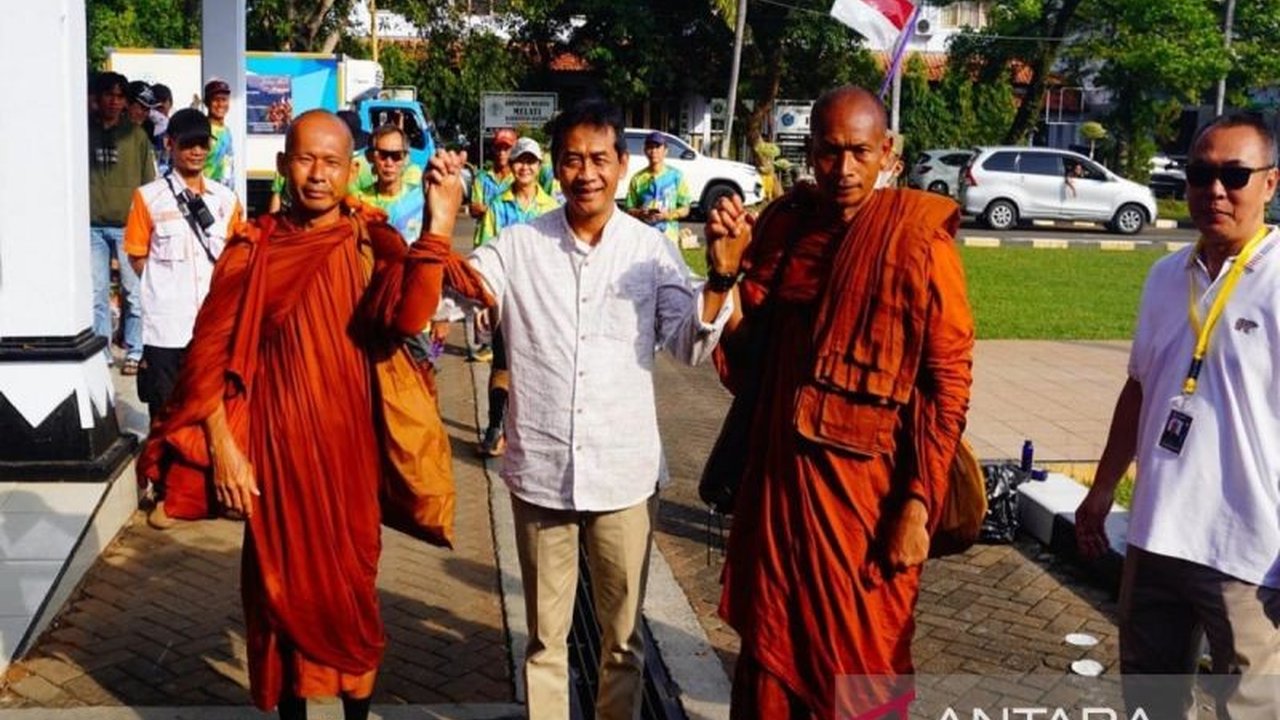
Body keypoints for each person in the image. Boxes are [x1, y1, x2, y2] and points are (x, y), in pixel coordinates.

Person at [138, 110, 474, 720]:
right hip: (275, 459)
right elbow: (207, 362)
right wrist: (224, 448)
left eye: (332, 162)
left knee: (352, 600)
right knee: (278, 603)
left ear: (352, 170)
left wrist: (438, 227)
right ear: (284, 163)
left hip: (351, 459)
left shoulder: (371, 241)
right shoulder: (254, 247)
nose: (317, 175)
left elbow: (405, 317)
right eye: (305, 159)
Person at [463, 98, 747, 719]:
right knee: (545, 642)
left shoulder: (650, 251)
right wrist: (450, 259)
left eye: (599, 159)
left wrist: (720, 280)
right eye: (572, 160)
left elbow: (688, 346)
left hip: (623, 476)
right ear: (555, 169)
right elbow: (468, 288)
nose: (586, 173)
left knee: (621, 641)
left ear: (621, 166)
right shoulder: (518, 245)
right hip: (540, 473)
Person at [709, 85, 974, 718]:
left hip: (867, 500)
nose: (844, 170)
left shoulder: (916, 240)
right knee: (771, 663)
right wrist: (725, 274)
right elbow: (749, 362)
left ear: (887, 153)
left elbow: (948, 385)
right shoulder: (786, 227)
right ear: (810, 154)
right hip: (780, 488)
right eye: (829, 153)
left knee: (866, 665)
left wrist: (918, 504)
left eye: (860, 152)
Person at [1076, 113, 1280, 719]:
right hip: (1158, 533)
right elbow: (1139, 389)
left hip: (1249, 551)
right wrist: (1103, 488)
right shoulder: (1166, 277)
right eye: (1200, 173)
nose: (1215, 190)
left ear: (1270, 184)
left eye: (1235, 175)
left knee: (1250, 708)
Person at [123, 109, 242, 529]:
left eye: (201, 143)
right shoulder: (148, 198)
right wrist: (165, 288)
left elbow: (236, 260)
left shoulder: (226, 201)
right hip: (167, 325)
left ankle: (219, 489)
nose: (195, 150)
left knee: (218, 407)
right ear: (169, 144)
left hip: (214, 325)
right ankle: (168, 492)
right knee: (168, 408)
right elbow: (137, 254)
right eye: (186, 142)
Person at [475, 136, 560, 458]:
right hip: (506, 299)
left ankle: (532, 430)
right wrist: (485, 298)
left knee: (541, 367)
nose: (525, 167)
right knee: (502, 364)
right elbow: (484, 252)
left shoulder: (552, 208)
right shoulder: (498, 206)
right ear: (512, 166)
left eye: (531, 161)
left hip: (543, 301)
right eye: (520, 161)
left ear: (540, 167)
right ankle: (495, 425)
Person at [89, 71, 156, 375]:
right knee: (97, 293)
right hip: (91, 226)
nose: (114, 101)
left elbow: (149, 184)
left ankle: (135, 349)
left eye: (119, 96)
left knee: (133, 291)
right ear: (96, 98)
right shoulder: (83, 131)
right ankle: (101, 352)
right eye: (108, 95)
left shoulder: (137, 136)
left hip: (129, 226)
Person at [467, 127, 517, 361]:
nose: (502, 152)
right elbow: (474, 208)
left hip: (511, 242)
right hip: (485, 239)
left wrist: (490, 208)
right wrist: (496, 209)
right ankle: (483, 343)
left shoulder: (517, 176)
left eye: (506, 148)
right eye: (499, 147)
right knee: (482, 293)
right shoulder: (482, 178)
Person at [625, 131, 692, 243]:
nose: (654, 151)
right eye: (650, 147)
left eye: (657, 147)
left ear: (665, 150)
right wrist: (640, 213)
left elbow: (686, 208)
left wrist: (668, 215)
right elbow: (629, 209)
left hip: (669, 239)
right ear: (645, 151)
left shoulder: (676, 176)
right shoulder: (637, 179)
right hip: (644, 239)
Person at [203, 78, 234, 187]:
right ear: (207, 102)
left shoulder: (227, 131)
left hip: (224, 194)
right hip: (204, 193)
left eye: (224, 99)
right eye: (216, 100)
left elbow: (228, 165)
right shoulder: (202, 129)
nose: (220, 104)